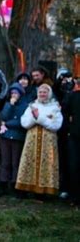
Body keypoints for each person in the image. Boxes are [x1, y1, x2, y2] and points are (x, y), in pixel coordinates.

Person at [16, 84, 63, 196]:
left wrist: (39, 118)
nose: (42, 94)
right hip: (32, 139)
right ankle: (26, 188)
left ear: (49, 94)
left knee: (47, 164)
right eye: (40, 92)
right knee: (29, 161)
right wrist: (36, 117)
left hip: (48, 141)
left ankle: (44, 191)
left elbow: (56, 125)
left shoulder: (55, 107)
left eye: (44, 92)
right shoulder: (32, 106)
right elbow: (24, 122)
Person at [0, 83, 29, 197]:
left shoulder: (25, 106)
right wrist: (10, 105)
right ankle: (3, 185)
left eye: (16, 93)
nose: (14, 95)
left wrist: (7, 124)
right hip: (5, 136)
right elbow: (3, 117)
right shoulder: (8, 104)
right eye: (12, 93)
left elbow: (21, 122)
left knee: (16, 162)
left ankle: (16, 185)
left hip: (18, 137)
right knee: (5, 161)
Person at [62, 77, 80, 205]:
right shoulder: (73, 96)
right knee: (74, 166)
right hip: (74, 135)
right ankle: (74, 196)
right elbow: (64, 111)